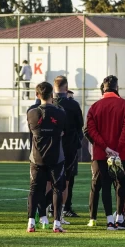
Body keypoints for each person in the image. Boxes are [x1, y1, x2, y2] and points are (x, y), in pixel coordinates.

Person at [84, 75, 125, 230]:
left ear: (103, 88)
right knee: (121, 186)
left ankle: (109, 221)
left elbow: (90, 130)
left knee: (104, 186)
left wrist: (105, 147)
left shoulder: (95, 107)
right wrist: (117, 149)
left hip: (101, 154)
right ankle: (120, 218)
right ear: (116, 87)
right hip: (122, 153)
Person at [27, 82, 68, 233]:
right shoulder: (60, 112)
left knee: (34, 189)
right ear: (52, 95)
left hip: (36, 156)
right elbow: (64, 131)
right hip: (56, 156)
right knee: (57, 189)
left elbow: (32, 131)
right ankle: (57, 224)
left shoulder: (31, 112)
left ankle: (31, 223)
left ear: (37, 95)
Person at [53, 76, 84, 221]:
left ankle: (44, 213)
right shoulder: (73, 105)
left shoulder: (49, 104)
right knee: (65, 181)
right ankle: (60, 214)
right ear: (66, 88)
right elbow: (80, 125)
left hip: (50, 148)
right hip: (69, 149)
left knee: (48, 181)